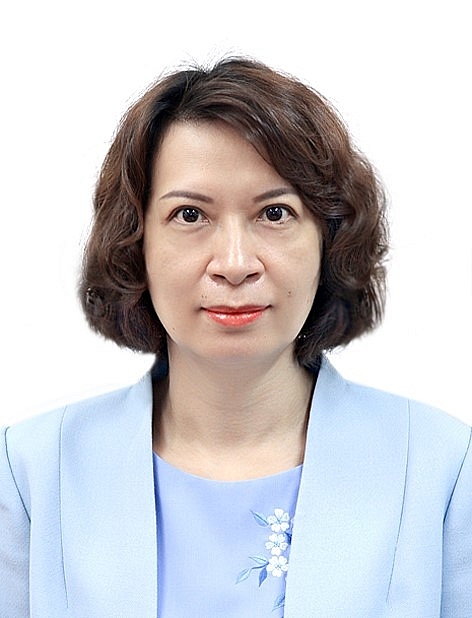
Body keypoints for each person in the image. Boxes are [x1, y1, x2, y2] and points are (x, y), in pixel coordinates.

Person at [1, 57, 470, 618]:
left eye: (274, 213)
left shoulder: (442, 468)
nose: (234, 263)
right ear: (135, 242)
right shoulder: (31, 472)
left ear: (329, 239)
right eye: (189, 215)